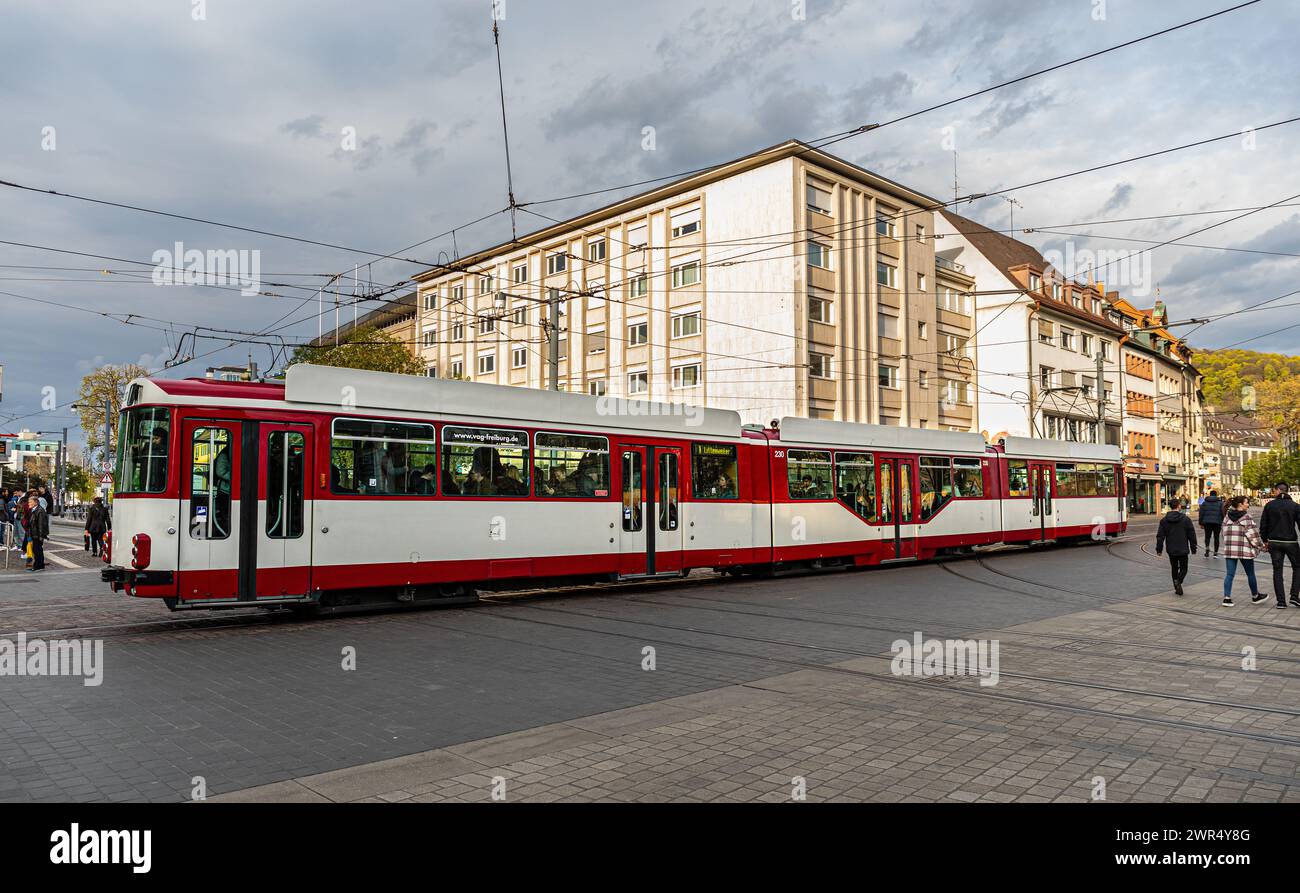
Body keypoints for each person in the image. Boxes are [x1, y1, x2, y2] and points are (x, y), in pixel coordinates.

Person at [1259, 482, 1300, 609]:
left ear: (1278, 490)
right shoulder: (1295, 506)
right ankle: (1294, 596)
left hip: (1274, 542)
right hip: (1291, 542)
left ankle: (1281, 602)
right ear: (1287, 491)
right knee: (1298, 567)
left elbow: (1263, 525)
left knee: (1277, 570)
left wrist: (1265, 540)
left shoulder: (1269, 506)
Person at [1221, 495, 1266, 607]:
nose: (1248, 504)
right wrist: (1262, 546)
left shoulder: (1226, 517)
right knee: (1250, 574)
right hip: (1244, 550)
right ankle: (1255, 596)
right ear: (1241, 504)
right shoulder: (1246, 518)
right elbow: (1254, 536)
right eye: (1246, 503)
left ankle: (1227, 598)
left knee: (1229, 574)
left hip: (1230, 550)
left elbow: (1223, 534)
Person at [1155, 497, 1198, 596]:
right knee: (1184, 568)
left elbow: (1160, 536)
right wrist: (1193, 547)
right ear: (1179, 506)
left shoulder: (1164, 520)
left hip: (1171, 549)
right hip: (1183, 548)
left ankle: (1176, 586)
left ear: (1170, 507)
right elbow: (1192, 534)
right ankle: (1179, 581)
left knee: (1174, 568)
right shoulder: (1186, 519)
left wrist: (1159, 549)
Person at [1198, 489, 1224, 558]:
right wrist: (1222, 521)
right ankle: (1215, 553)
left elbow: (1201, 513)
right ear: (1216, 495)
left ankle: (1207, 548)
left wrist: (1200, 522)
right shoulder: (1220, 503)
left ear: (1210, 495)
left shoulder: (1204, 503)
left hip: (1207, 522)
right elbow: (1222, 513)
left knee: (1207, 536)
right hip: (1217, 522)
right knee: (1216, 537)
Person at [26, 495, 48, 572]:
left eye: (30, 502)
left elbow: (41, 524)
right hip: (34, 534)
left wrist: (41, 536)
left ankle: (39, 566)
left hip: (37, 535)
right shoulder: (34, 510)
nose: (28, 503)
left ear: (35, 502)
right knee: (36, 550)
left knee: (37, 550)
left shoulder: (40, 510)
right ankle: (38, 565)